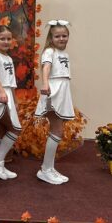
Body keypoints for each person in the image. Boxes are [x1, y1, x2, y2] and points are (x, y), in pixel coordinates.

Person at [34, 20, 73, 185]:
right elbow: (46, 68)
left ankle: (48, 167)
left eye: (64, 35)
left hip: (62, 93)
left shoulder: (65, 54)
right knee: (57, 130)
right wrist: (45, 84)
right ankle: (45, 169)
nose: (61, 38)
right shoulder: (49, 51)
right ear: (51, 37)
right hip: (53, 92)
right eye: (57, 36)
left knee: (57, 130)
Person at [0, 25, 23, 180]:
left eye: (8, 39)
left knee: (0, 133)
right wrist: (1, 92)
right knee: (14, 129)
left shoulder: (8, 58)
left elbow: (11, 83)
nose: (6, 41)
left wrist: (15, 100)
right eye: (2, 39)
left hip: (7, 95)